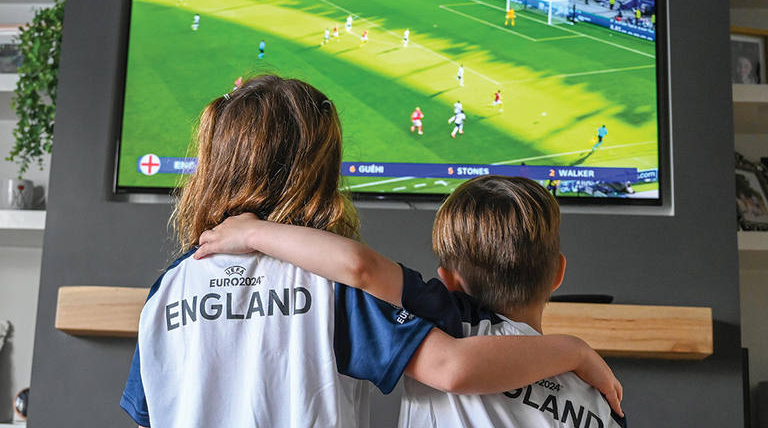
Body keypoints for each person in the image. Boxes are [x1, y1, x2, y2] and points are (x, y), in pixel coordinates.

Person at [120, 76, 622, 428]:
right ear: (318, 171)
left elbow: (151, 413)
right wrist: (574, 349)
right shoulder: (329, 279)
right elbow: (450, 366)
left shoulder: (170, 284)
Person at [193, 176, 626, 427]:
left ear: (448, 281)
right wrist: (576, 351)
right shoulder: (605, 397)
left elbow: (359, 267)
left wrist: (251, 232)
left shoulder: (453, 320)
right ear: (557, 274)